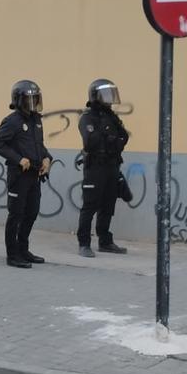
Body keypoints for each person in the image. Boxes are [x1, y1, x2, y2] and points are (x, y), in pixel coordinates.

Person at [0, 80, 52, 269]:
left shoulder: (36, 120)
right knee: (16, 215)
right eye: (29, 99)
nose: (33, 103)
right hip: (19, 176)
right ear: (19, 100)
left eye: (35, 99)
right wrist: (18, 159)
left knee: (31, 213)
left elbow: (39, 145)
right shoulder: (12, 121)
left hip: (34, 175)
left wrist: (47, 158)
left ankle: (23, 249)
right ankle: (12, 255)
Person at [76, 79, 131, 258]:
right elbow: (91, 141)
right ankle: (84, 243)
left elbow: (123, 136)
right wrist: (109, 138)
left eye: (110, 94)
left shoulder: (112, 117)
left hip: (112, 165)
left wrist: (111, 140)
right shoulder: (88, 117)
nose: (109, 99)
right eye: (105, 95)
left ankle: (105, 241)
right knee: (90, 206)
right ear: (96, 96)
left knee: (108, 205)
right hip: (95, 167)